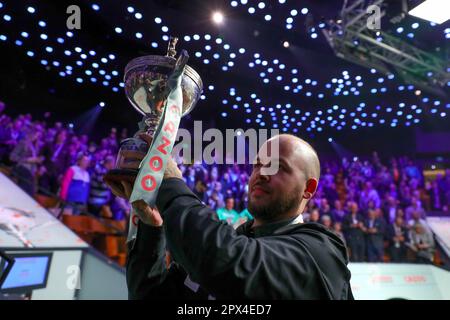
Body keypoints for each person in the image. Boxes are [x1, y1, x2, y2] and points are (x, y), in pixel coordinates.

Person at [109, 134, 353, 299]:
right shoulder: (233, 240)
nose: (262, 173)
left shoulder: (321, 253)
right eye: (258, 164)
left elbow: (230, 264)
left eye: (278, 166)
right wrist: (152, 228)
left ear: (308, 189)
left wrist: (171, 183)